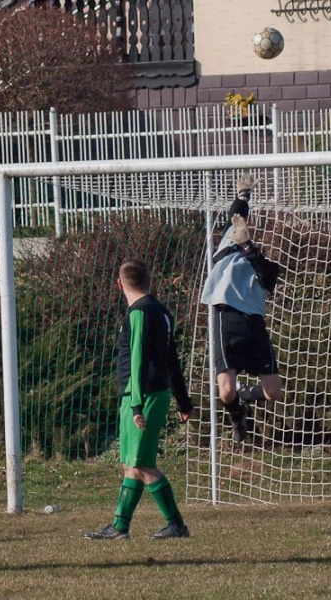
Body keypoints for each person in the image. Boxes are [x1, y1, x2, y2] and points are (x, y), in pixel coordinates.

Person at [84, 259, 194, 541]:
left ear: (119, 284)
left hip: (141, 396)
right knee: (132, 464)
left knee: (143, 465)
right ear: (150, 280)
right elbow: (172, 360)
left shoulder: (138, 313)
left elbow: (137, 360)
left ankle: (176, 524)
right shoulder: (162, 312)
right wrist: (183, 400)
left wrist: (135, 404)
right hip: (146, 395)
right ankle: (119, 526)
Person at [201, 175, 282, 443]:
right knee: (225, 392)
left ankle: (246, 395)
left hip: (254, 325)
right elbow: (237, 217)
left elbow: (263, 269)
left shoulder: (266, 270)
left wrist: (248, 245)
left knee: (273, 392)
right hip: (226, 318)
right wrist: (244, 194)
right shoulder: (227, 248)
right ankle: (238, 415)